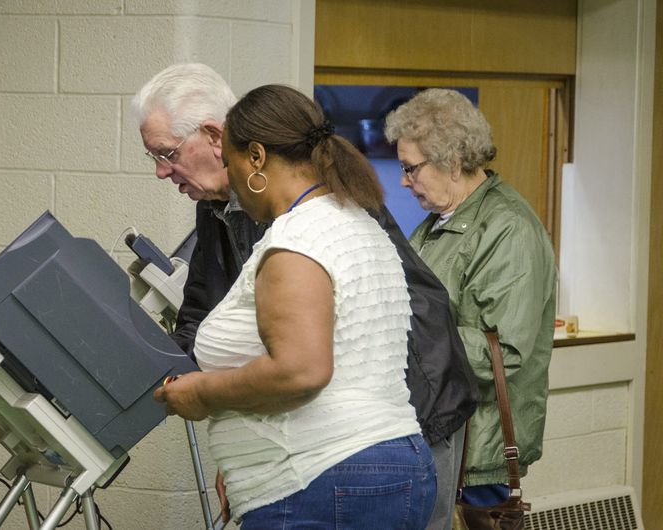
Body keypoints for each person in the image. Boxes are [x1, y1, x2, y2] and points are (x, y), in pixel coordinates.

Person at [131, 63, 477, 527]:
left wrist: (215, 400)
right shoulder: (223, 209)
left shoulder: (303, 226)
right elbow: (205, 321)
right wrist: (250, 449)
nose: (160, 171)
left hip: (383, 432)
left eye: (166, 153)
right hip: (351, 452)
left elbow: (309, 364)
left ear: (220, 140)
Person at [384, 88, 556, 509]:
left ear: (452, 160)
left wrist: (396, 335)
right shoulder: (441, 221)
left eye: (411, 169)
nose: (404, 181)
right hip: (443, 432)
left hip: (478, 448)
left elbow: (504, 351)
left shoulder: (507, 228)